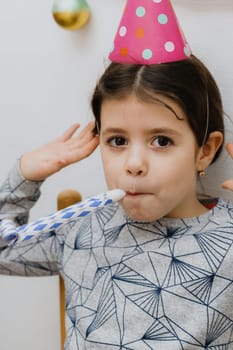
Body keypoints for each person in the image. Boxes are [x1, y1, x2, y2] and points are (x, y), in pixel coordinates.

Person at [1, 54, 233, 349]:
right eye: (118, 141)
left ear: (205, 150)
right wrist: (23, 177)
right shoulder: (81, 229)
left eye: (161, 141)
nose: (134, 164)